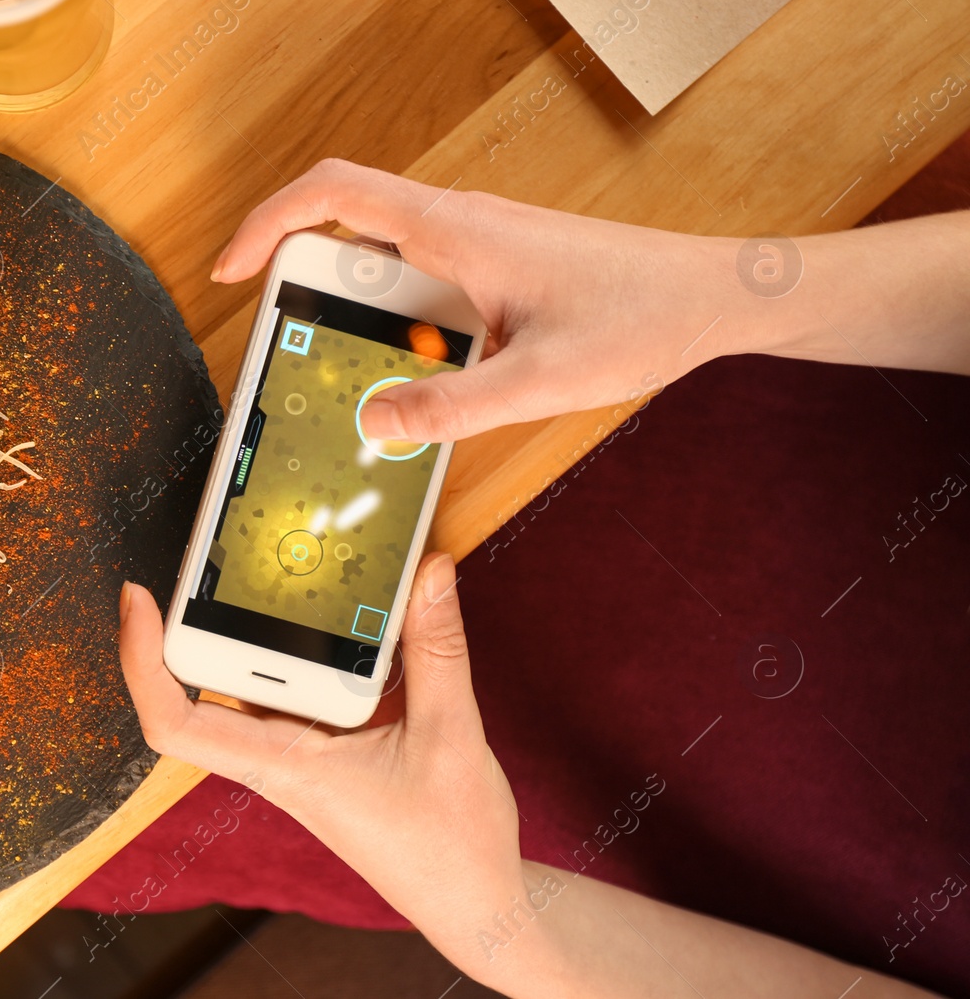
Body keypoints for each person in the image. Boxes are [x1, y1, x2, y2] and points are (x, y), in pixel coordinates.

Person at [114, 159, 970, 998]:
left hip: (693, 864)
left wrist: (503, 921)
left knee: (144, 793)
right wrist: (713, 291)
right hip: (846, 359)